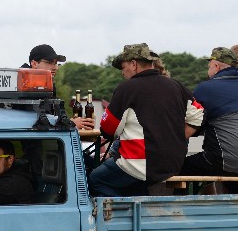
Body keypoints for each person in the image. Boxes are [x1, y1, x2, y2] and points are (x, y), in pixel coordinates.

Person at [87, 44, 203, 197]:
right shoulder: (176, 86)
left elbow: (108, 130)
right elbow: (198, 114)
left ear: (133, 64)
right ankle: (138, 213)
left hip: (138, 165)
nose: (122, 73)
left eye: (123, 67)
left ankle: (121, 217)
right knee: (133, 185)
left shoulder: (126, 89)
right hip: (173, 164)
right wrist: (178, 137)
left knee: (95, 180)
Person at [181, 47, 238, 191]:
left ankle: (178, 210)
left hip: (229, 163)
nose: (208, 71)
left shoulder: (206, 89)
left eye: (209, 66)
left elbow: (192, 122)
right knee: (236, 169)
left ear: (216, 66)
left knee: (180, 167)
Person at [22, 44, 94, 131]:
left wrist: (67, 122)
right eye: (49, 62)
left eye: (56, 63)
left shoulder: (46, 86)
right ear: (34, 63)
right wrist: (71, 123)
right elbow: (36, 122)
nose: (55, 68)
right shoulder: (24, 87)